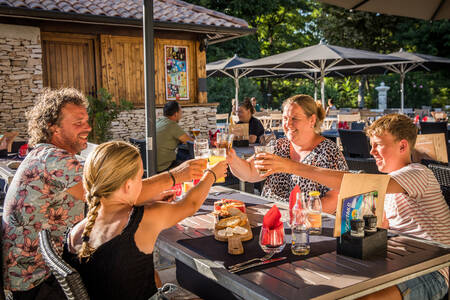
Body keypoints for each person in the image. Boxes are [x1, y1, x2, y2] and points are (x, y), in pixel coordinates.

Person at [2, 88, 205, 300]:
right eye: (78, 122)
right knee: (134, 258)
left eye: (86, 121)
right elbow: (113, 191)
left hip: (41, 273)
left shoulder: (43, 153)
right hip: (42, 285)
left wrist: (147, 196)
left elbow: (113, 195)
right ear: (53, 127)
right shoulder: (56, 160)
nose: (88, 127)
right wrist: (176, 175)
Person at [255, 113, 450, 300]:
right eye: (371, 145)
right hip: (396, 264)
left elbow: (353, 181)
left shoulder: (418, 173)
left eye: (378, 145)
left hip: (432, 270)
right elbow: (378, 227)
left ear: (402, 146)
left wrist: (291, 167)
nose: (371, 151)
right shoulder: (389, 184)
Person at [63, 141, 228, 300]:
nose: (142, 183)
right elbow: (189, 204)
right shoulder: (142, 220)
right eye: (140, 178)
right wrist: (212, 175)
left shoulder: (76, 232)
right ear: (128, 186)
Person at [228, 94, 348, 212]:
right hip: (272, 220)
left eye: (294, 119)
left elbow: (336, 196)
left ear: (312, 120)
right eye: (285, 118)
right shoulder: (278, 146)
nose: (288, 124)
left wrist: (299, 215)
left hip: (306, 225)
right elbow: (249, 172)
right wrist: (232, 159)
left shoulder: (328, 151)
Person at [156, 101, 194, 172]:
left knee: (181, 152)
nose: (181, 114)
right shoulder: (172, 125)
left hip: (154, 164)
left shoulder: (158, 122)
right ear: (176, 114)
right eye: (181, 111)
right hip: (164, 166)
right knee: (191, 159)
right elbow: (191, 142)